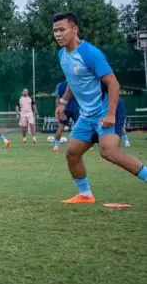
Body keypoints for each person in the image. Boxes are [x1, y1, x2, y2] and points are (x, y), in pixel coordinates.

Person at [52, 12, 147, 204]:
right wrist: (63, 102)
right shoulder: (62, 55)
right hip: (86, 114)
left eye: (62, 29)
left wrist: (111, 114)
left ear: (75, 29)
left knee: (109, 152)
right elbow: (73, 80)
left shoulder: (90, 53)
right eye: (55, 31)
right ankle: (85, 195)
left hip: (106, 108)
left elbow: (113, 84)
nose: (58, 34)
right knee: (72, 153)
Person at [52, 80, 79, 152]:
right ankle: (77, 145)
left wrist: (57, 109)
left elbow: (57, 98)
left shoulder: (60, 85)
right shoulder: (76, 82)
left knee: (61, 127)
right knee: (79, 127)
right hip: (75, 108)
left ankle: (56, 145)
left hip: (63, 108)